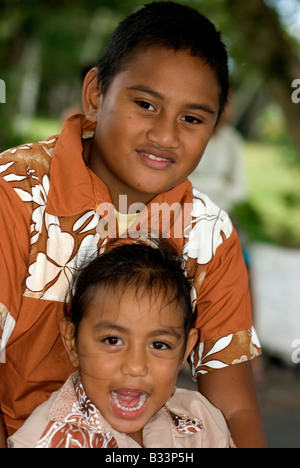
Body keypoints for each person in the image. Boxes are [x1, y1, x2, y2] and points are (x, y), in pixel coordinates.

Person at [0, 2, 266, 447]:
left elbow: (235, 408)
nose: (165, 136)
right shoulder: (15, 197)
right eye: (145, 104)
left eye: (192, 119)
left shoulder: (206, 233)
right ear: (95, 94)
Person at [7, 242, 234, 448]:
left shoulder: (200, 422)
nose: (135, 366)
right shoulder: (44, 441)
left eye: (159, 344)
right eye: (112, 340)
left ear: (184, 351)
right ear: (72, 341)